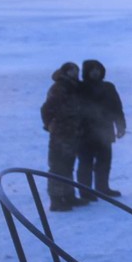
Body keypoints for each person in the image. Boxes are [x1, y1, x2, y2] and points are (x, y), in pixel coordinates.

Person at [77, 59, 127, 198]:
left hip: (104, 131)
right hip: (85, 132)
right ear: (86, 72)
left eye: (98, 69)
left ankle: (102, 188)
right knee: (85, 163)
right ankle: (85, 192)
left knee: (104, 161)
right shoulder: (79, 88)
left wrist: (121, 125)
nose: (95, 72)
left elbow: (117, 108)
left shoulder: (108, 87)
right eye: (92, 70)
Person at [39, 62, 84, 211]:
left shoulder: (75, 88)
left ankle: (69, 195)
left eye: (76, 71)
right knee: (57, 166)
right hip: (60, 133)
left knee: (68, 166)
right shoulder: (59, 88)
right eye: (71, 71)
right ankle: (56, 199)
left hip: (73, 133)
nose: (74, 74)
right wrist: (50, 125)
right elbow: (46, 109)